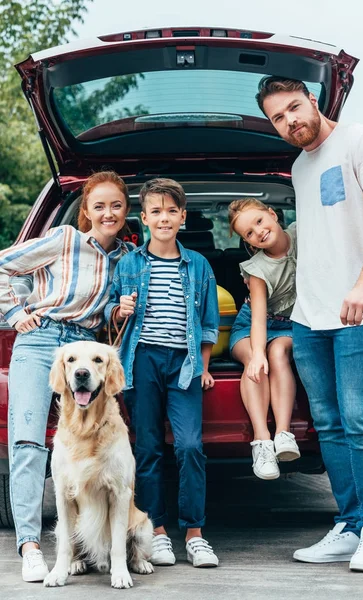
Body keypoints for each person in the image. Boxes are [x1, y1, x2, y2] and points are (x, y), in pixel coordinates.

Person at [257, 75, 363, 572]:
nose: (290, 120)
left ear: (312, 100)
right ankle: (351, 523)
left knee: (361, 420)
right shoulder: (299, 166)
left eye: (294, 107)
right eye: (278, 117)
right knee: (330, 425)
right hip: (309, 317)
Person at [0, 170, 132, 582]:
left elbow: (105, 315)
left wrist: (116, 311)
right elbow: (4, 266)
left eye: (116, 205)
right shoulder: (63, 239)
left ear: (127, 210)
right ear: (86, 211)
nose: (107, 213)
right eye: (99, 206)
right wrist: (16, 312)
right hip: (41, 343)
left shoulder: (127, 258)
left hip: (87, 353)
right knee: (27, 440)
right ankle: (31, 546)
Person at [104, 178, 220, 568]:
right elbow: (109, 315)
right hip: (142, 362)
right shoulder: (130, 263)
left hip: (184, 363)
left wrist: (203, 365)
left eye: (172, 211)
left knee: (190, 446)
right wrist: (120, 310)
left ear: (183, 217)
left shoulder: (199, 265)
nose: (164, 218)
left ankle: (195, 534)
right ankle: (156, 530)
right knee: (148, 447)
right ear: (144, 219)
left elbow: (207, 323)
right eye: (156, 211)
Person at [228, 198, 300, 480]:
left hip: (290, 326)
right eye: (249, 233)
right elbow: (257, 318)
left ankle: (284, 434)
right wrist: (257, 353)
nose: (258, 231)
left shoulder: (302, 233)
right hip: (250, 325)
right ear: (248, 242)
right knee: (255, 361)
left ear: (272, 214)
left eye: (259, 221)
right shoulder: (256, 269)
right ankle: (262, 443)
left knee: (279, 352)